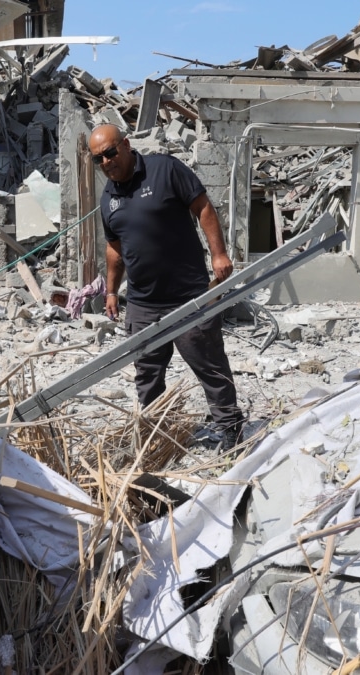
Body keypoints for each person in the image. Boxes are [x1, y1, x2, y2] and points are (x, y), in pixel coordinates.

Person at [90, 123, 246, 450]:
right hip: (143, 304)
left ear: (127, 145)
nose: (106, 163)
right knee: (147, 377)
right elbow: (114, 248)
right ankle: (157, 437)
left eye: (109, 153)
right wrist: (110, 290)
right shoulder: (108, 199)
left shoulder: (165, 169)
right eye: (98, 160)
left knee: (210, 368)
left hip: (189, 297)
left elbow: (203, 207)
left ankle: (232, 432)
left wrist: (219, 254)